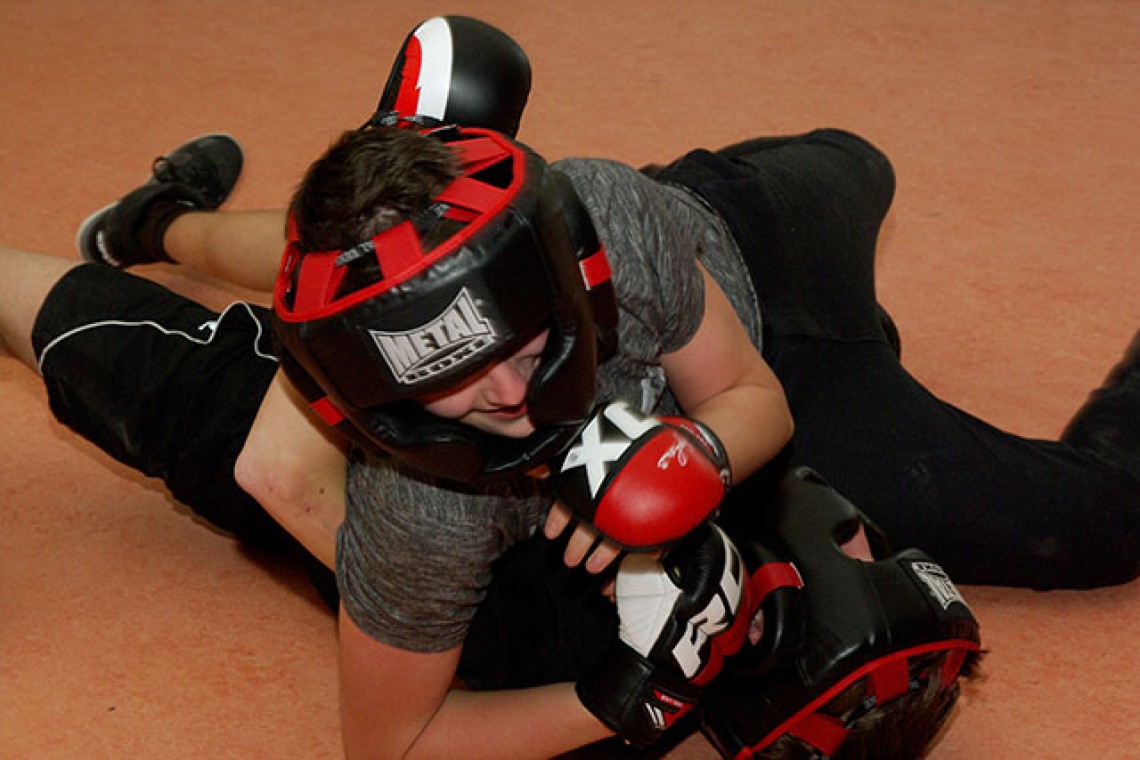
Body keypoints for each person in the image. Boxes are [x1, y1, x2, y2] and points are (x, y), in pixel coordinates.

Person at [7, 16, 1137, 759]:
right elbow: (390, 744)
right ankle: (165, 227)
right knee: (1096, 522)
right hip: (823, 398)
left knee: (858, 158)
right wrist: (617, 697)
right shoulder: (421, 510)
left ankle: (163, 223)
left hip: (735, 246)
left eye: (522, 335)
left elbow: (749, 395)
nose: (507, 389)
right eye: (450, 379)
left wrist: (694, 454)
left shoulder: (603, 218)